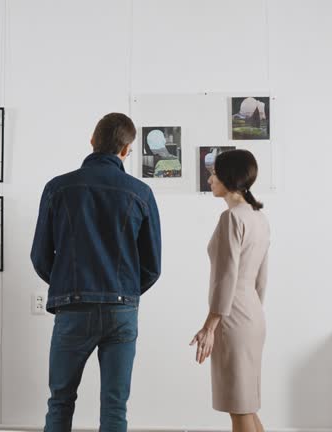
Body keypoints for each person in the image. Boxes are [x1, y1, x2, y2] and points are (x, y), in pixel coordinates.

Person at [31, 112, 162, 432]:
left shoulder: (58, 188)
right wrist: (125, 291)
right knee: (115, 406)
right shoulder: (140, 192)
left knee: (60, 401)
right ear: (127, 150)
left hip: (72, 306)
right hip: (122, 309)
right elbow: (152, 265)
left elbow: (40, 256)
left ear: (92, 141)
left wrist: (66, 283)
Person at [189, 149, 270, 432]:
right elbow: (261, 279)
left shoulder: (232, 218)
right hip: (253, 315)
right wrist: (252, 310)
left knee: (239, 408)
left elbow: (226, 278)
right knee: (247, 404)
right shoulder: (258, 217)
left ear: (228, 177)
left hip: (233, 318)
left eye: (213, 174)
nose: (210, 179)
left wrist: (209, 327)